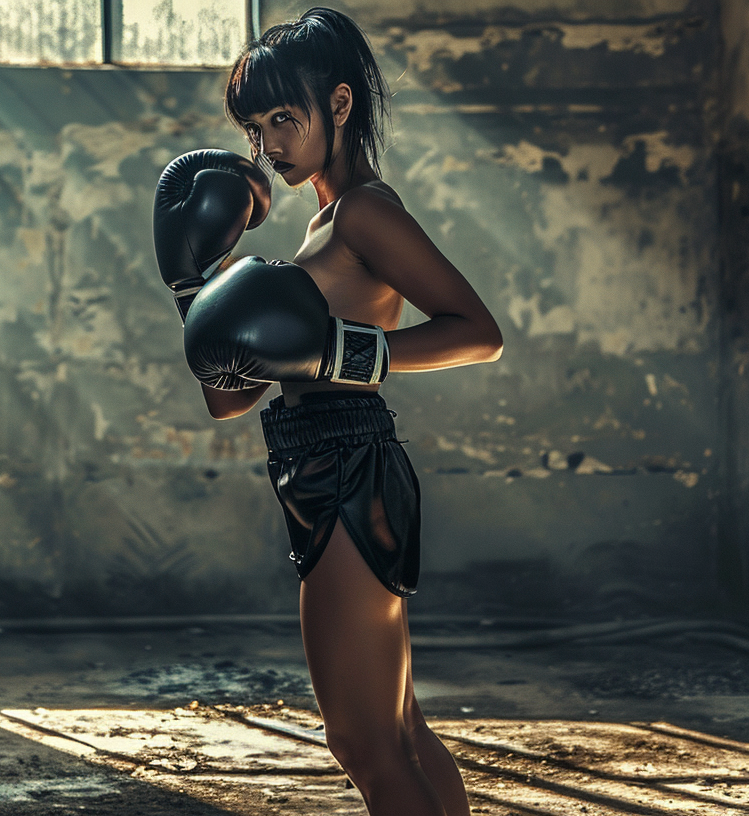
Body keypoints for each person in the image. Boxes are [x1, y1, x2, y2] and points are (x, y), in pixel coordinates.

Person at [153, 8, 503, 816]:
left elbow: (478, 334)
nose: (267, 143)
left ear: (339, 105)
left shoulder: (363, 213)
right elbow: (228, 399)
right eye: (254, 125)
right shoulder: (312, 232)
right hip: (315, 460)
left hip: (349, 461)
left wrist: (349, 353)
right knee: (401, 731)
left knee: (365, 743)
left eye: (284, 117)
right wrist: (189, 285)